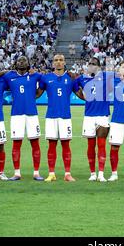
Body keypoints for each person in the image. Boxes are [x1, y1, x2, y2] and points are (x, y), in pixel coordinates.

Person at [37, 54, 83, 182]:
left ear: (64, 63)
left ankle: (67, 173)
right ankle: (51, 173)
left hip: (65, 117)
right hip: (51, 116)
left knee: (65, 145)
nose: (58, 62)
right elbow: (37, 94)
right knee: (51, 145)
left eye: (61, 60)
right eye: (56, 60)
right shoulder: (46, 78)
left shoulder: (71, 79)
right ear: (52, 63)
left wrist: (92, 99)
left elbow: (79, 94)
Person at [2, 56, 44, 181]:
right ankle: (17, 173)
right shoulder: (9, 76)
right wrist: (6, 71)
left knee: (35, 143)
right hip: (16, 114)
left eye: (24, 60)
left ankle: (36, 172)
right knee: (16, 143)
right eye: (19, 60)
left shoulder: (35, 76)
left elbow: (45, 82)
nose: (21, 62)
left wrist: (36, 95)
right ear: (15, 63)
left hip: (32, 114)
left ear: (28, 64)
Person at [75, 57, 111, 182]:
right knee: (90, 146)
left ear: (99, 66)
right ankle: (92, 173)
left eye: (94, 64)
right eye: (89, 64)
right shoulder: (82, 78)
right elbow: (75, 87)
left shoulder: (107, 77)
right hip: (89, 116)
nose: (91, 66)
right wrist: (83, 97)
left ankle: (101, 173)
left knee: (101, 145)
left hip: (102, 115)